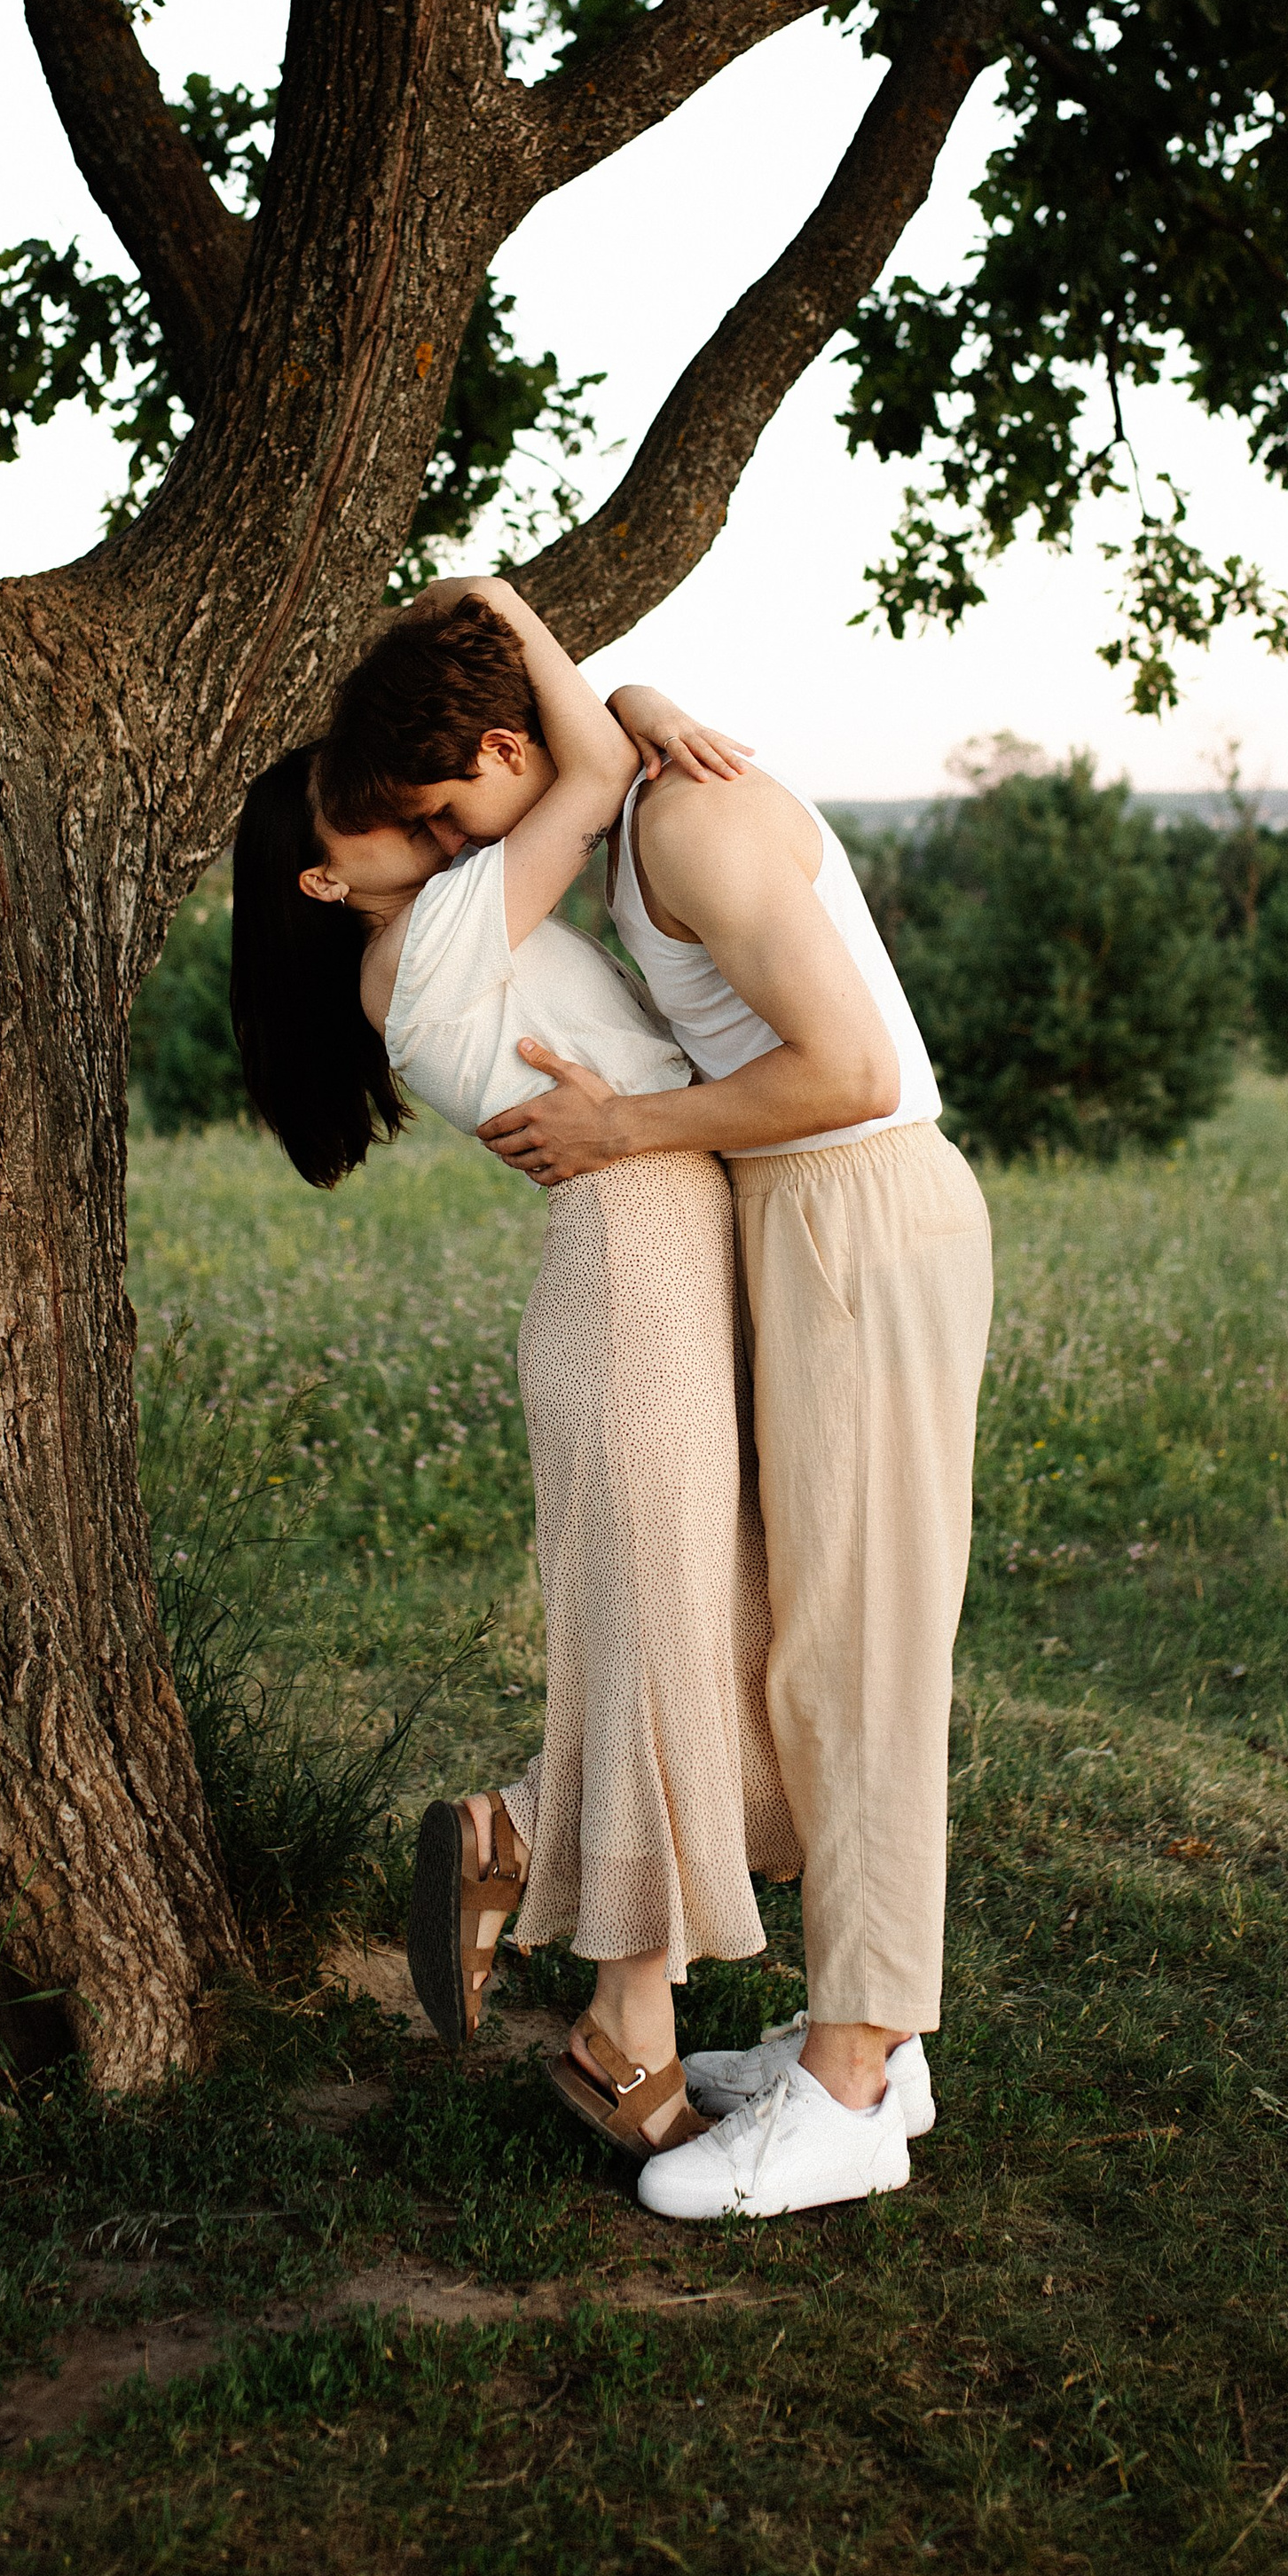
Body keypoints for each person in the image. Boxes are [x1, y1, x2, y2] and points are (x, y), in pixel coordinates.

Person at [324, 648, 993, 2225]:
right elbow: (582, 753)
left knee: (857, 1654)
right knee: (791, 1645)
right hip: (776, 1219)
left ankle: (851, 2087)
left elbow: (853, 1070)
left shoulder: (685, 827)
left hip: (851, 1215)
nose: (462, 855)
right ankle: (860, 2050)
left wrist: (620, 1125)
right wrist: (628, 702)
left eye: (446, 814)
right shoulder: (621, 812)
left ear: (503, 741)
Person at [230, 577, 797, 2164]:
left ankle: (523, 1845)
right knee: (665, 1639)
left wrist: (641, 702)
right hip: (636, 1262)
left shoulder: (440, 929)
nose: (421, 815)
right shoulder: (426, 943)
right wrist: (500, 604)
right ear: (325, 872)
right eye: (370, 810)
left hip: (654, 1251)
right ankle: (629, 2025)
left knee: (697, 1629)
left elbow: (554, 768)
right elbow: (587, 784)